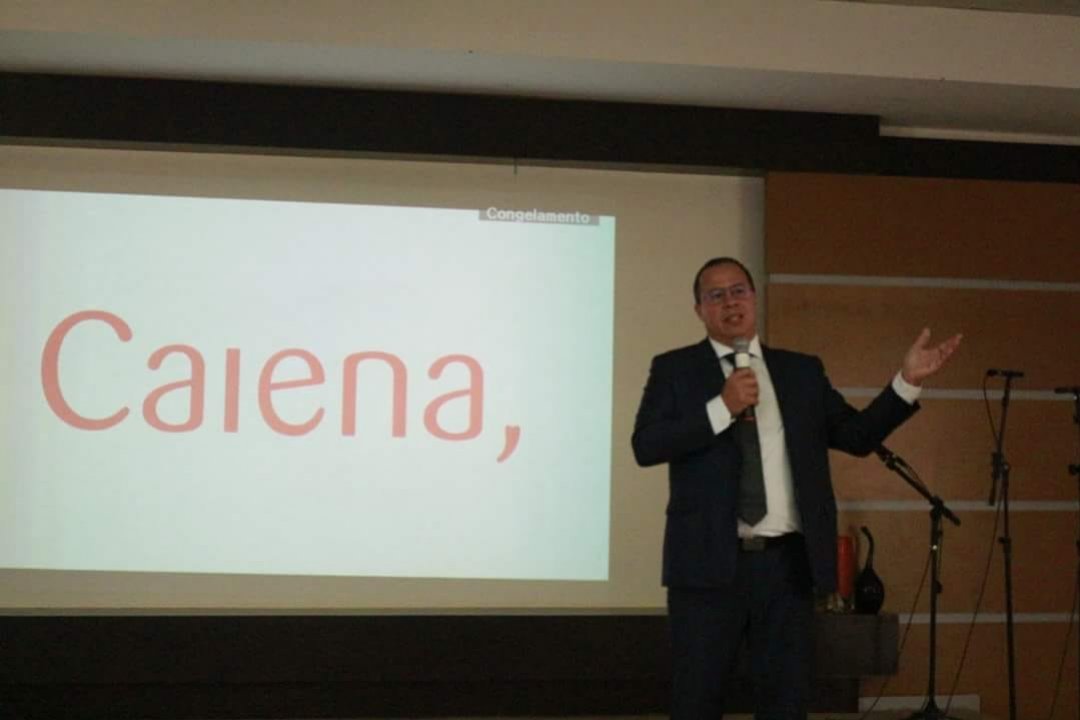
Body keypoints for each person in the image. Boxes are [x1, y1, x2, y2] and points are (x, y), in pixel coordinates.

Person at [631, 257, 962, 720]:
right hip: (707, 569)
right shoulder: (675, 369)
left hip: (786, 568)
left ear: (754, 298)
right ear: (699, 310)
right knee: (696, 702)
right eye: (716, 295)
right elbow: (645, 446)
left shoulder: (800, 372)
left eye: (739, 290)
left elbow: (857, 436)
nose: (730, 302)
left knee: (785, 704)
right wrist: (721, 407)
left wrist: (905, 383)